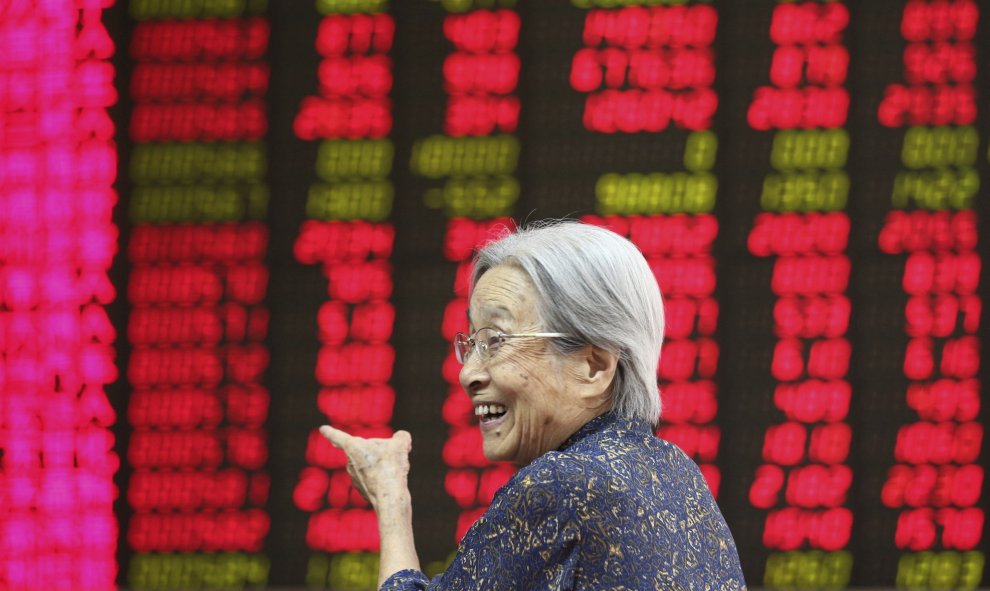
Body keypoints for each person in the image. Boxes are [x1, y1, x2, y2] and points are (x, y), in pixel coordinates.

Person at [321, 221, 746, 589]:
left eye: (495, 341)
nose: (468, 372)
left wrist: (390, 500)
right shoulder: (676, 470)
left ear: (593, 366)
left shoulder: (562, 484)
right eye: (471, 343)